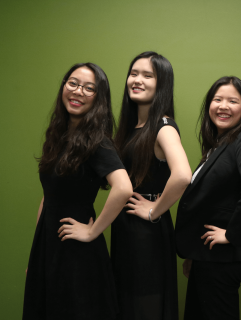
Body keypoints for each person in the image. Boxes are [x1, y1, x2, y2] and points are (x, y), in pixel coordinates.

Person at [23, 63, 133, 320]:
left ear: (99, 98)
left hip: (76, 254)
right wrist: (37, 255)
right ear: (64, 86)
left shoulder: (98, 141)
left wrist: (93, 231)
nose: (78, 91)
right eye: (73, 83)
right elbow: (48, 197)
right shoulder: (59, 136)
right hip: (49, 246)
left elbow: (124, 188)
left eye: (88, 88)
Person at [175, 76, 241, 320]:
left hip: (223, 260)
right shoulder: (216, 146)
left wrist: (231, 234)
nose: (223, 106)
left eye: (232, 101)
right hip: (206, 257)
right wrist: (195, 254)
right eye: (217, 99)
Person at [111, 51, 191, 320]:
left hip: (145, 233)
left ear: (162, 84)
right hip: (125, 228)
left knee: (144, 306)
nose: (137, 80)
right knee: (126, 303)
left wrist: (153, 210)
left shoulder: (163, 125)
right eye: (133, 73)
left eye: (148, 75)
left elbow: (182, 175)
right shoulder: (131, 128)